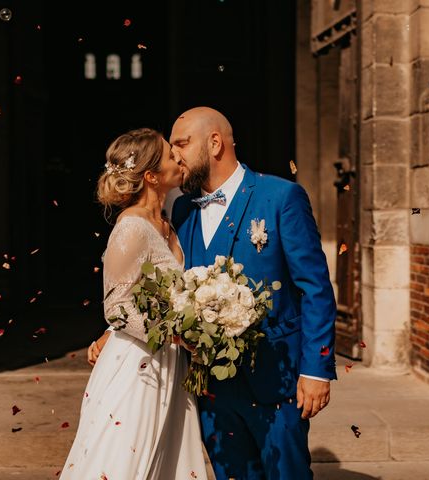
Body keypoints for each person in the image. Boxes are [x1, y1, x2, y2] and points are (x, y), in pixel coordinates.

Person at [169, 107, 337, 479]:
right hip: (211, 385)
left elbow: (315, 289)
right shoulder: (181, 210)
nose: (174, 154)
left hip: (276, 379)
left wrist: (316, 369)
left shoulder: (281, 197)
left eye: (181, 143)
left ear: (215, 143)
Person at [59, 128, 211, 480]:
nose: (177, 156)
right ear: (151, 176)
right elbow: (117, 307)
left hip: (169, 363)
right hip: (137, 366)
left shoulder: (168, 222)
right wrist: (176, 334)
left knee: (164, 462)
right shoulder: (131, 228)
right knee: (126, 460)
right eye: (169, 155)